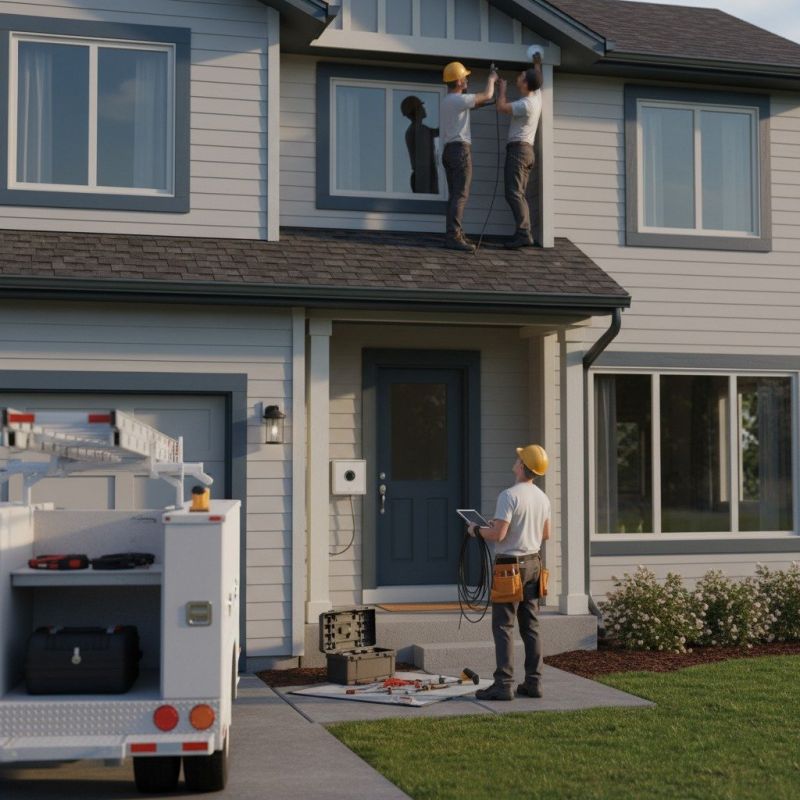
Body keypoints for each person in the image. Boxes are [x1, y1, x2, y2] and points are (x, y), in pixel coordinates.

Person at [468, 443, 550, 700]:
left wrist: (476, 530)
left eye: (518, 459)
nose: (515, 461)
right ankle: (534, 683)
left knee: (503, 626)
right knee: (531, 627)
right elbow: (545, 534)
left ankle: (503, 684)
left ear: (523, 467)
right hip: (534, 563)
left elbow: (498, 535)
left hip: (509, 567)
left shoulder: (509, 495)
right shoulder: (542, 497)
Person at [440, 61, 497, 252]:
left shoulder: (449, 101)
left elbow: (474, 103)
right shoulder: (458, 100)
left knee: (455, 195)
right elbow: (487, 94)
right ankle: (454, 236)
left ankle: (453, 233)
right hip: (459, 151)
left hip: (449, 151)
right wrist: (492, 79)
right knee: (460, 195)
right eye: (464, 77)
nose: (466, 79)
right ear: (458, 81)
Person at [495, 54, 544, 248]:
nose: (519, 76)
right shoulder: (537, 96)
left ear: (526, 84)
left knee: (513, 193)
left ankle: (524, 233)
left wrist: (502, 89)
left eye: (521, 75)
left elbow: (501, 107)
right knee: (518, 193)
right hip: (526, 151)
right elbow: (538, 76)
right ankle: (523, 231)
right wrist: (537, 64)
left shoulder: (526, 104)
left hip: (518, 150)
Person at [400, 96, 439, 194]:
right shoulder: (418, 131)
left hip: (422, 178)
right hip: (424, 179)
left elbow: (437, 133)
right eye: (421, 106)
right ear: (416, 110)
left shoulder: (417, 130)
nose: (424, 108)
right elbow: (424, 163)